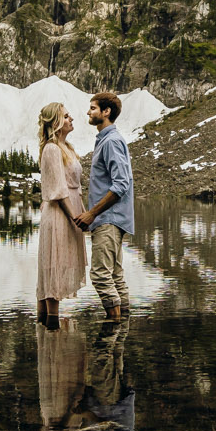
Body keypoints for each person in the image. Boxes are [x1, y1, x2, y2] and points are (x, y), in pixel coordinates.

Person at [75, 91, 133, 319]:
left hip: (109, 219)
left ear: (106, 112)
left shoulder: (111, 141)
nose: (88, 112)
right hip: (112, 219)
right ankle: (121, 333)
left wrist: (91, 214)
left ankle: (113, 329)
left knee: (100, 275)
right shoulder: (106, 140)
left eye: (92, 108)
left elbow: (121, 185)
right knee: (115, 276)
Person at [35, 101, 87, 324]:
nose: (71, 119)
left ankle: (48, 331)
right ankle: (51, 326)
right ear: (55, 122)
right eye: (66, 116)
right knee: (54, 266)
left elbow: (75, 187)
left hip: (70, 209)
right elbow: (57, 188)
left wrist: (82, 213)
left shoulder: (68, 148)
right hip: (59, 213)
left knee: (60, 264)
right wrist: (74, 217)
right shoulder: (51, 149)